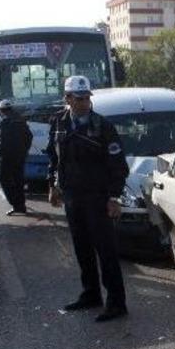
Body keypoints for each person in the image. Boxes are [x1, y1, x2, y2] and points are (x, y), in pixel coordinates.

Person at [46, 76, 130, 322]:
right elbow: (54, 157)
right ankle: (91, 294)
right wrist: (53, 185)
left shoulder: (102, 127)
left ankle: (116, 302)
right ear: (68, 99)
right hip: (72, 196)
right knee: (82, 248)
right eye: (79, 98)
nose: (84, 103)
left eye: (86, 98)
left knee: (106, 251)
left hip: (98, 197)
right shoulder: (59, 123)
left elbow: (118, 166)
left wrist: (114, 197)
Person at [0, 99, 32, 216]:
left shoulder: (4, 123)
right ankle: (20, 206)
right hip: (20, 157)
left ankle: (16, 205)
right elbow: (29, 137)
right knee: (18, 181)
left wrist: (0, 155)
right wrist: (24, 151)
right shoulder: (21, 121)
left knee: (4, 180)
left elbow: (1, 142)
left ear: (1, 111)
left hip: (6, 158)